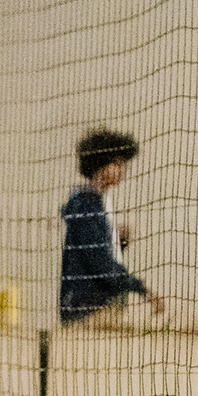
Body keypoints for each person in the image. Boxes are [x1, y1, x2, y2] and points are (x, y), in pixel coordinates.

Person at [60, 128, 164, 325]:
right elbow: (101, 265)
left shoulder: (99, 202)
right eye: (117, 163)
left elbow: (99, 257)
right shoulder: (85, 205)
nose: (123, 170)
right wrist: (143, 290)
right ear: (100, 164)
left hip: (99, 305)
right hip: (87, 310)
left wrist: (119, 243)